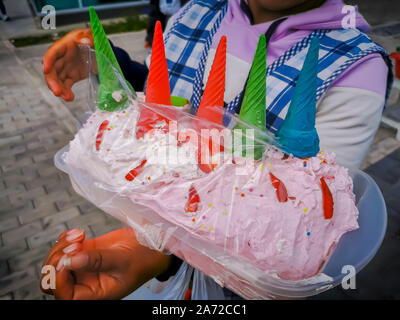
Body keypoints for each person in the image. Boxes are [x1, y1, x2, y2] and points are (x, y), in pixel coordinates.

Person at [41, 0, 392, 299]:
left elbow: (299, 229)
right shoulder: (195, 11)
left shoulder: (358, 69)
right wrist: (103, 61)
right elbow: (156, 95)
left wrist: (154, 253)